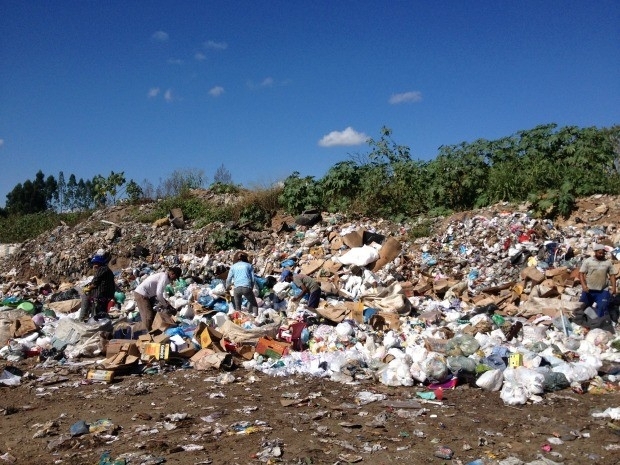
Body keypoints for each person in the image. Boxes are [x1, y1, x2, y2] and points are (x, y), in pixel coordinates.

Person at [134, 266, 182, 331]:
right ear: (172, 274)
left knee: (153, 314)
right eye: (175, 278)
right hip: (141, 294)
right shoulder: (164, 278)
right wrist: (165, 305)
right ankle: (146, 335)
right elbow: (159, 294)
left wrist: (165, 302)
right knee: (148, 316)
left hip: (147, 295)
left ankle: (152, 331)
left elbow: (158, 293)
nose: (174, 280)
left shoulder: (163, 276)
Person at [579, 243, 616, 319]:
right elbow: (581, 273)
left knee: (602, 307)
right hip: (589, 290)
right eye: (599, 253)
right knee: (584, 307)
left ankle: (599, 324)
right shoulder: (588, 261)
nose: (601, 254)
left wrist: (614, 287)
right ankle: (586, 322)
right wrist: (583, 285)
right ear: (595, 252)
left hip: (602, 290)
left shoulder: (608, 262)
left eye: (603, 253)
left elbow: (612, 275)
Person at [78, 255, 116, 321]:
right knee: (101, 314)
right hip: (106, 296)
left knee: (97, 315)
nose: (93, 266)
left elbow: (94, 283)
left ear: (98, 263)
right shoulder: (106, 270)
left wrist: (85, 289)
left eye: (95, 264)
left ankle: (83, 319)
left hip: (101, 297)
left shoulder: (101, 269)